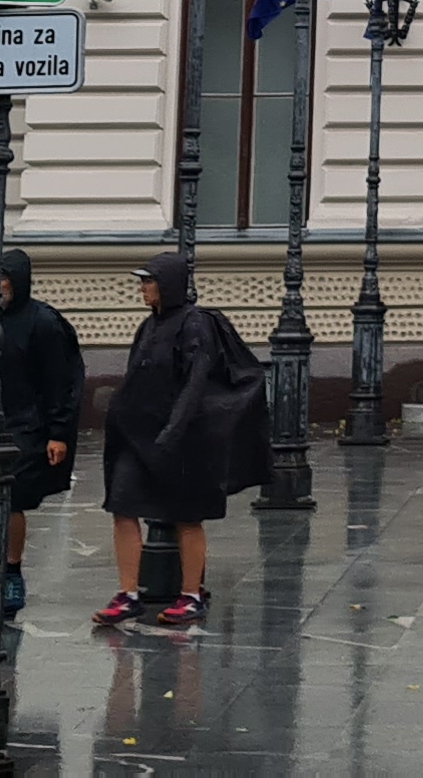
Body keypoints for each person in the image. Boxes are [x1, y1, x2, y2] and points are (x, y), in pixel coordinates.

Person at [98, 251, 266, 631]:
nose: (143, 288)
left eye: (149, 281)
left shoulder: (195, 324)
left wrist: (173, 431)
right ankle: (128, 594)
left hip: (183, 439)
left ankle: (191, 595)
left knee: (186, 515)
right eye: (142, 281)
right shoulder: (148, 326)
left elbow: (196, 381)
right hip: (138, 437)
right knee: (123, 505)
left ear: (168, 284)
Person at [0, 247, 81, 619]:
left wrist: (58, 433)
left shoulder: (43, 322)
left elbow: (62, 381)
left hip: (29, 425)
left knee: (12, 497)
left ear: (18, 281)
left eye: (3, 278)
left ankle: (11, 572)